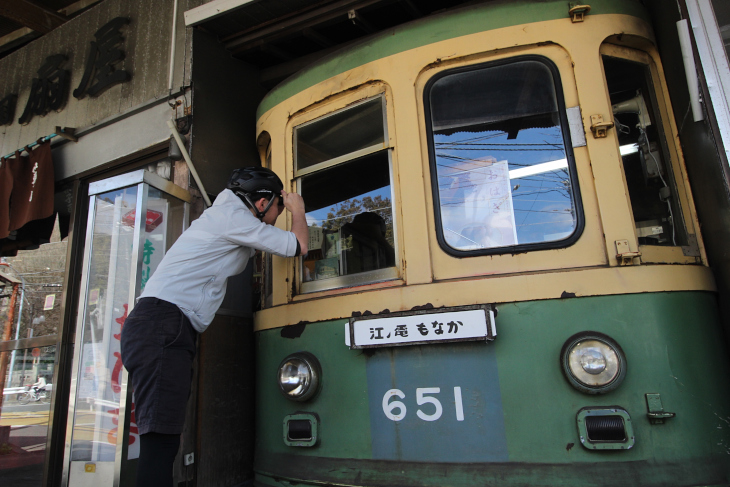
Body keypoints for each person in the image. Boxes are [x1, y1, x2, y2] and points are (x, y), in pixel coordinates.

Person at [120, 167, 308, 487]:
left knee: (162, 437)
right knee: (161, 440)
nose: (281, 210)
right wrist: (300, 210)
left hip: (159, 325)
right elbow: (299, 246)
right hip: (164, 326)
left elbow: (259, 240)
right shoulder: (234, 219)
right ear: (261, 203)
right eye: (278, 204)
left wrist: (276, 211)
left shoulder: (226, 216)